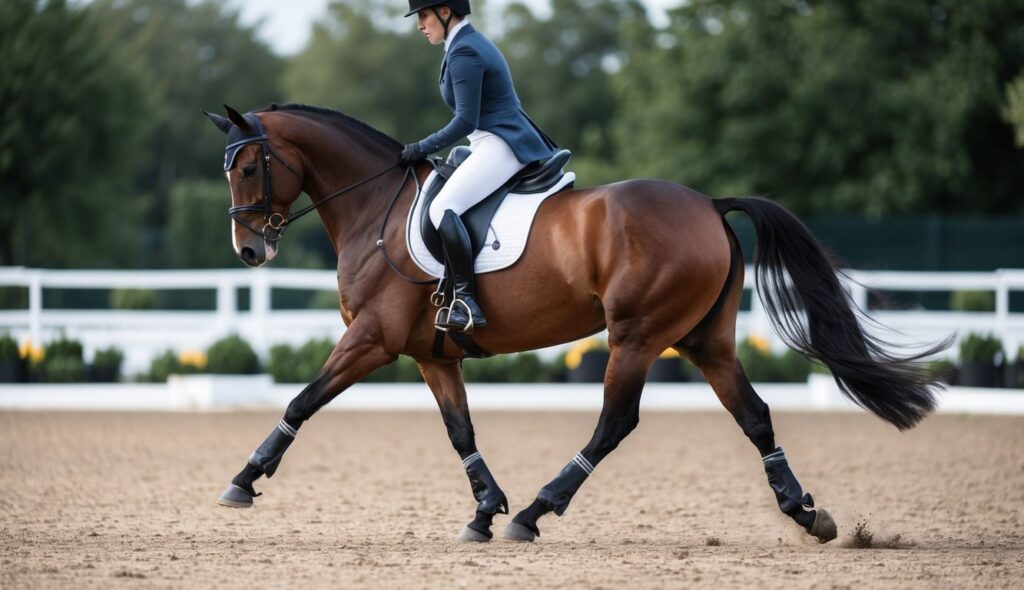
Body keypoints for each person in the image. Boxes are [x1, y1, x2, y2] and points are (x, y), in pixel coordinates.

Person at [400, 0, 558, 334]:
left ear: (445, 12)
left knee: (443, 207)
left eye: (424, 15)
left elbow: (464, 121)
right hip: (487, 139)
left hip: (501, 142)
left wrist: (420, 147)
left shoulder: (464, 53)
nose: (419, 24)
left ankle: (466, 301)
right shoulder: (463, 43)